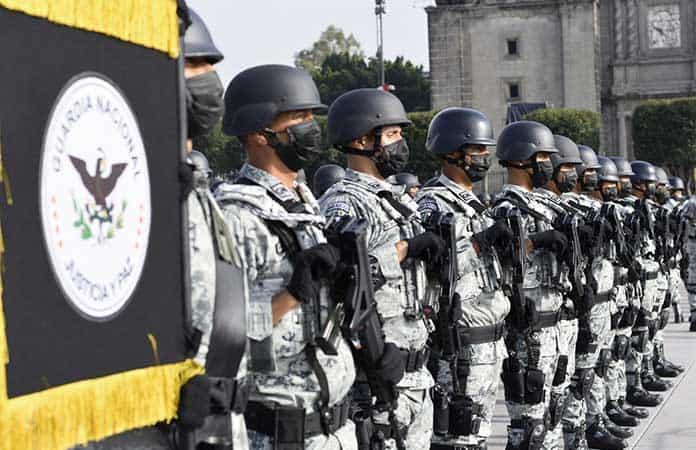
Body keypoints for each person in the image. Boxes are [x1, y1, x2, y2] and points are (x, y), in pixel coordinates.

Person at [216, 64, 357, 450]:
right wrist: (292, 295)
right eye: (298, 118)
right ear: (259, 133)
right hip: (282, 431)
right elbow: (223, 339)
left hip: (335, 427)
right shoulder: (236, 216)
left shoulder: (303, 204)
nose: (311, 128)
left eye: (311, 116)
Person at [320, 88, 442, 450]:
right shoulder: (344, 202)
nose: (401, 143)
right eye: (392, 134)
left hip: (415, 372)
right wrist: (403, 250)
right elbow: (342, 280)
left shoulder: (397, 201)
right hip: (376, 374)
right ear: (361, 140)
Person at [415, 107, 511, 450]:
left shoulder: (475, 204)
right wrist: (480, 241)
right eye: (477, 150)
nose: (485, 158)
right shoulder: (432, 203)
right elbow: (434, 265)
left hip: (489, 341)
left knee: (476, 438)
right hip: (461, 346)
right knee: (457, 440)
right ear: (452, 152)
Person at [176, 10, 250, 450]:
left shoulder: (200, 193)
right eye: (193, 66)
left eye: (210, 67)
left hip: (220, 422)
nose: (209, 82)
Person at [488, 121, 567, 450]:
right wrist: (538, 240)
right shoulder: (506, 207)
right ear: (523, 159)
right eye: (543, 157)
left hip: (551, 322)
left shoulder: (542, 205)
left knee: (549, 414)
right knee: (528, 424)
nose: (549, 164)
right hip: (527, 328)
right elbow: (500, 255)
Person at [553, 143, 628, 449]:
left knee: (596, 364)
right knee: (579, 374)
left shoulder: (592, 209)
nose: (595, 179)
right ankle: (581, 430)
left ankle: (594, 419)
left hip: (600, 298)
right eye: (590, 172)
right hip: (580, 302)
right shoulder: (568, 210)